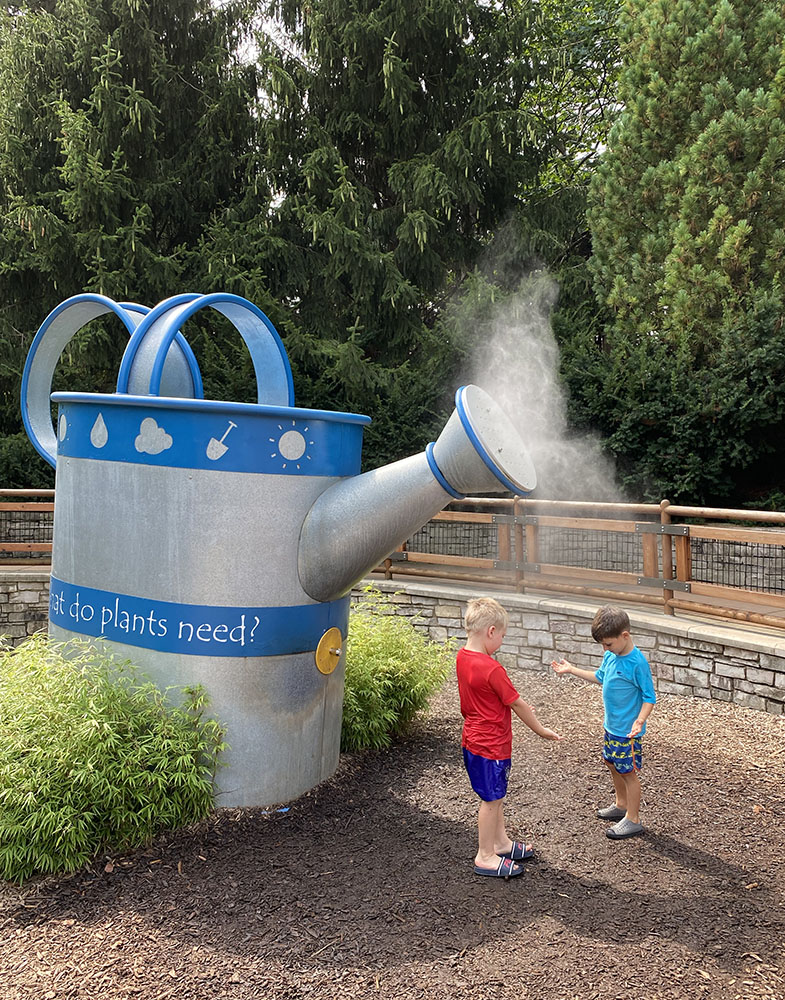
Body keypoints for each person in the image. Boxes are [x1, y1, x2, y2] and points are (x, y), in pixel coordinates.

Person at [457, 596, 562, 879]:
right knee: (491, 801)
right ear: (490, 631)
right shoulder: (492, 668)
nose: (501, 641)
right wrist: (540, 729)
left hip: (474, 740)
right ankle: (485, 855)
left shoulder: (463, 656)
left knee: (496, 796)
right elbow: (518, 704)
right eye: (502, 636)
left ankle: (500, 843)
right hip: (490, 745)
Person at [551, 604, 656, 840]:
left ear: (625, 636)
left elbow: (649, 697)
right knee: (611, 763)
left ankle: (633, 818)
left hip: (627, 732)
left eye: (608, 643)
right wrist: (571, 670)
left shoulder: (637, 663)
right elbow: (600, 678)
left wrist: (640, 720)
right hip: (611, 727)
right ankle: (620, 805)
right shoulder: (611, 655)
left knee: (628, 772)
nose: (604, 648)